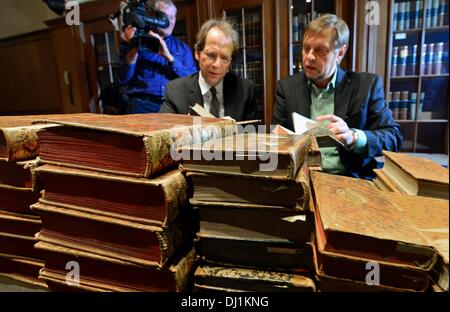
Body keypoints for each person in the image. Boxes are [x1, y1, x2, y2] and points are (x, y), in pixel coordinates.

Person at [272, 14, 402, 179]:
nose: (309, 57)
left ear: (340, 53)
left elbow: (393, 137)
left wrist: (354, 138)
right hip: (303, 178)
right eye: (306, 48)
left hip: (351, 178)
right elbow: (274, 137)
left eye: (320, 50)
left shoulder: (366, 85)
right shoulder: (287, 87)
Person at [159, 19, 257, 122]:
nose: (217, 65)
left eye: (224, 58)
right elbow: (162, 134)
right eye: (211, 55)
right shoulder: (175, 92)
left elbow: (253, 134)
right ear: (197, 53)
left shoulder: (246, 90)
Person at [117, 0, 197, 113]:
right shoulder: (135, 40)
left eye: (173, 17)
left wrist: (170, 58)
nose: (170, 22)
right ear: (152, 15)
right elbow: (122, 79)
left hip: (173, 107)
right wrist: (133, 50)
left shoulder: (182, 48)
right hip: (142, 106)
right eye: (165, 17)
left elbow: (193, 81)